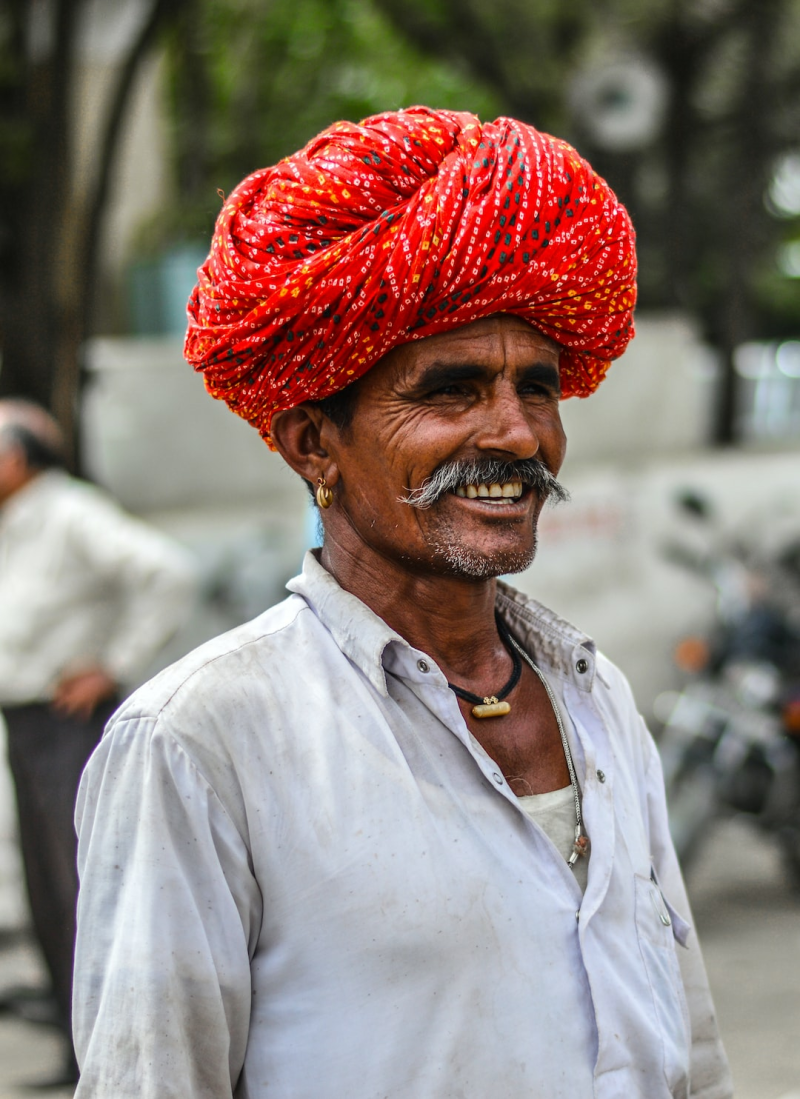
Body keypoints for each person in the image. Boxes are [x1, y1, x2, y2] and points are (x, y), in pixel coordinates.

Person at [73, 108, 732, 1098]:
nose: (515, 433)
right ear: (310, 444)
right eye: (452, 390)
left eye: (536, 387)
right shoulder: (199, 742)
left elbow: (686, 1057)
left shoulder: (598, 704)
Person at [0, 399, 197, 1082]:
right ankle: (76, 1050)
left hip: (69, 723)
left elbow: (165, 571)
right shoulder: (18, 522)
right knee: (49, 892)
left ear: (16, 457)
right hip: (27, 723)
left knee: (85, 885)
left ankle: (116, 1055)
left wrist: (113, 663)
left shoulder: (68, 511)